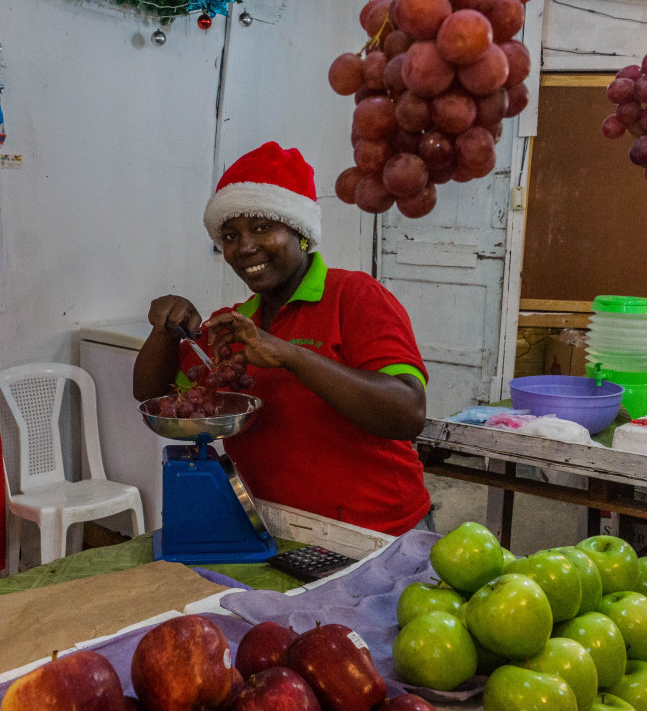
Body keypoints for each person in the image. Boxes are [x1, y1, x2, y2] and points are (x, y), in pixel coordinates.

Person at [133, 141, 431, 535]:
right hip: (274, 529)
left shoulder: (354, 296)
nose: (245, 247)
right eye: (230, 236)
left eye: (262, 228)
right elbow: (151, 394)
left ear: (301, 232)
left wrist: (288, 355)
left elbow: (408, 413)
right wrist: (164, 331)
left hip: (379, 533)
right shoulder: (235, 324)